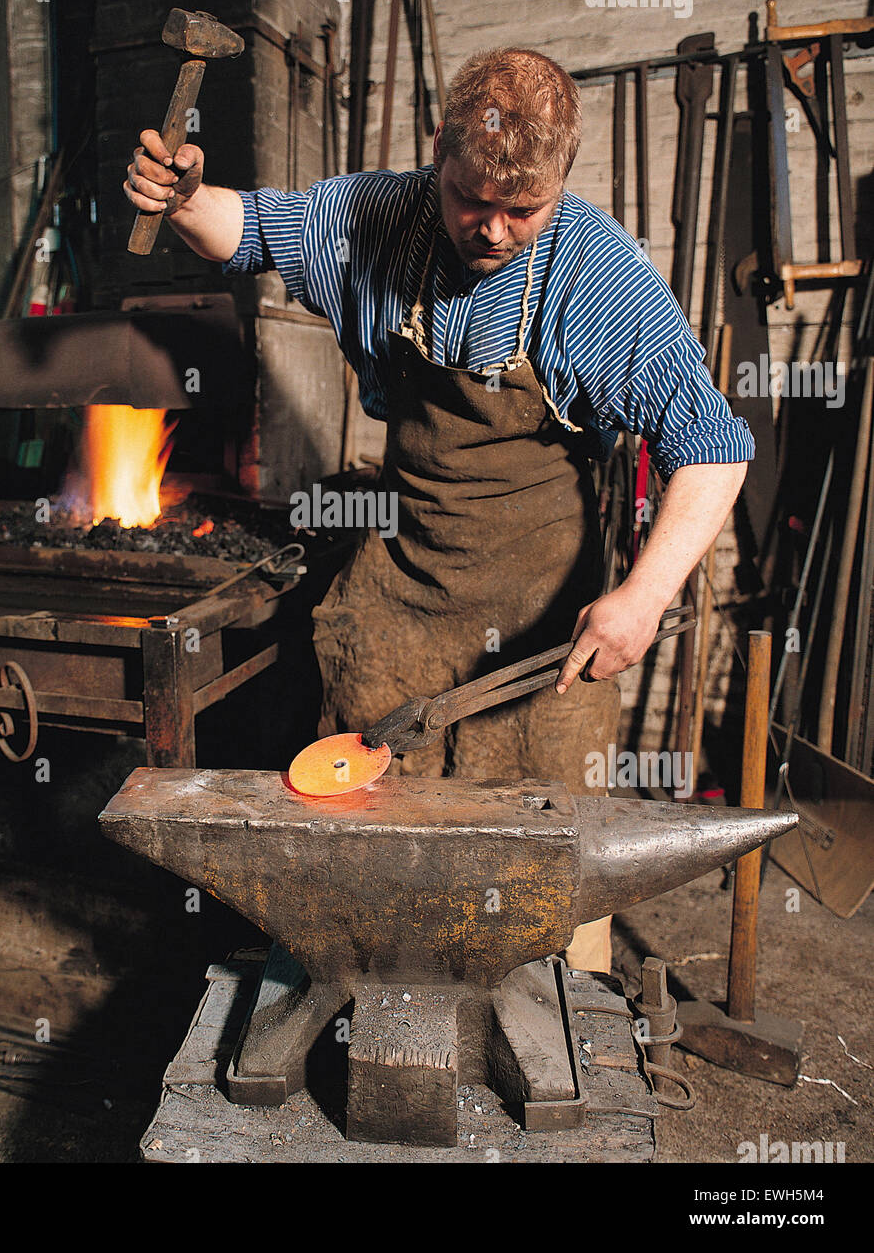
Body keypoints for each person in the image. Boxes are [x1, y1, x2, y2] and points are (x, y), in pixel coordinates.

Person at [125, 47, 753, 970]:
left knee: (548, 847)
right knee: (366, 817)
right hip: (408, 576)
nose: (493, 229)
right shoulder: (378, 216)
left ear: (559, 188)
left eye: (522, 210)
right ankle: (365, 982)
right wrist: (183, 200)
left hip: (544, 600)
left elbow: (713, 443)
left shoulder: (597, 275)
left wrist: (644, 597)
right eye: (471, 199)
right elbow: (250, 230)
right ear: (438, 155)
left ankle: (568, 1034)